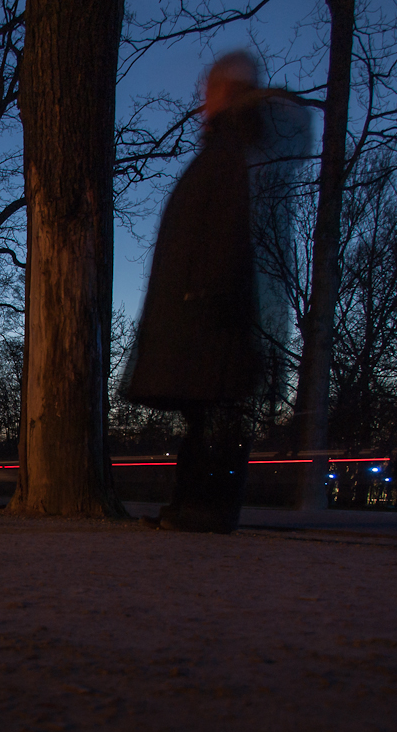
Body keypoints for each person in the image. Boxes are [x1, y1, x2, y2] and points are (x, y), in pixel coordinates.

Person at [122, 51, 311, 533]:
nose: (203, 102)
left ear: (225, 92)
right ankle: (196, 507)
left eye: (210, 91)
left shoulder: (235, 151)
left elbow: (226, 229)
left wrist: (206, 292)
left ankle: (205, 510)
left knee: (214, 417)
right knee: (207, 415)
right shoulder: (240, 149)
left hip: (213, 311)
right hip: (212, 308)